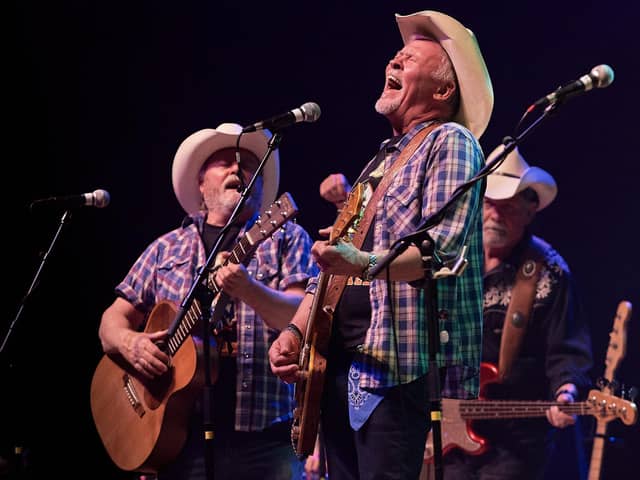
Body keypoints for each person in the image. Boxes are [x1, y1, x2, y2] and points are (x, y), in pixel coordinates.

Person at [269, 10, 493, 480]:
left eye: (408, 59)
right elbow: (331, 269)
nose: (393, 59)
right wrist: (293, 331)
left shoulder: (451, 142)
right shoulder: (383, 160)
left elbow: (440, 250)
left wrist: (363, 261)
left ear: (443, 90)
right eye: (396, 54)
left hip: (396, 370)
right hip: (341, 364)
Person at [97, 122, 318, 480]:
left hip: (265, 439)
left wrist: (248, 289)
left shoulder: (285, 237)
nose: (236, 169)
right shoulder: (166, 247)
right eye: (223, 162)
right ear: (200, 184)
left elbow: (301, 317)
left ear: (259, 183)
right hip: (176, 437)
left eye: (246, 164)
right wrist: (131, 342)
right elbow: (110, 322)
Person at [435, 145, 594, 479]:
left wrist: (566, 392)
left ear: (529, 210)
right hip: (443, 433)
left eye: (506, 207)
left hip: (516, 440)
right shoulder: (447, 261)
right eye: (489, 204)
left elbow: (567, 350)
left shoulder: (549, 271)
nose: (495, 215)